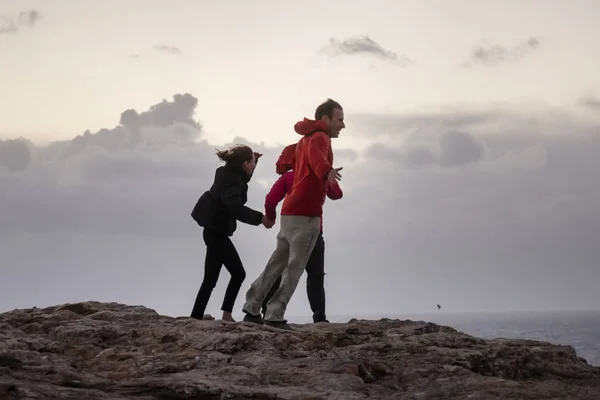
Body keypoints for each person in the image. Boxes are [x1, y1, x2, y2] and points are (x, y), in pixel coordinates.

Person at [242, 99, 345, 330]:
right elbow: (318, 157)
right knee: (294, 269)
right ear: (325, 118)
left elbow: (284, 161)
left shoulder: (303, 140)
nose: (343, 125)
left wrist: (289, 167)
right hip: (307, 216)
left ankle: (251, 307)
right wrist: (326, 170)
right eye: (339, 120)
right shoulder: (320, 137)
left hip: (289, 212)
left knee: (276, 265)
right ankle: (274, 315)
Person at [190, 145, 275, 322]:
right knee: (238, 274)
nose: (253, 165)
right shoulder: (232, 181)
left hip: (213, 230)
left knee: (210, 279)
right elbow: (236, 208)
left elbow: (243, 181)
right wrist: (261, 218)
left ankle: (196, 317)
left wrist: (255, 161)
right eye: (251, 161)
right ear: (244, 164)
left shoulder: (228, 174)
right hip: (217, 233)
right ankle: (226, 315)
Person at [260, 144, 343, 323]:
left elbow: (270, 200)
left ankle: (265, 311)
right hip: (313, 233)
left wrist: (271, 217)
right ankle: (319, 318)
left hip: (291, 232)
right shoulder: (316, 178)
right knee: (315, 276)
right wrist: (330, 179)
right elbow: (337, 195)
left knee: (280, 270)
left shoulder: (288, 178)